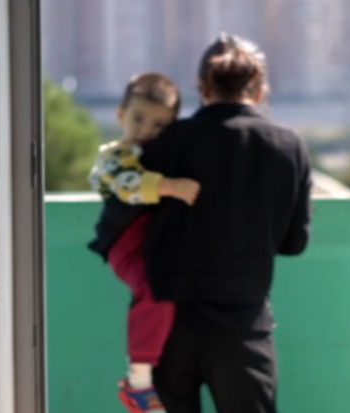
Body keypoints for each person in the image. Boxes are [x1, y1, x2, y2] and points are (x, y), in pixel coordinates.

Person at [138, 33, 312, 413]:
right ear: (260, 90)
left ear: (203, 88)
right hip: (243, 325)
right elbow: (294, 242)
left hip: (166, 325)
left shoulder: (167, 141)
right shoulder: (288, 145)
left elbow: (132, 217)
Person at [88, 72, 200, 413]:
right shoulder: (115, 155)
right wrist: (172, 187)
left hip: (153, 244)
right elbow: (128, 184)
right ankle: (138, 381)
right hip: (126, 244)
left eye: (159, 125)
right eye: (138, 119)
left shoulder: (163, 155)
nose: (146, 130)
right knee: (154, 291)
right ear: (121, 114)